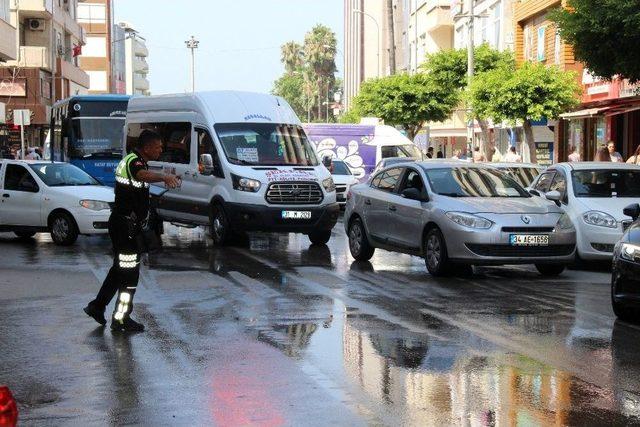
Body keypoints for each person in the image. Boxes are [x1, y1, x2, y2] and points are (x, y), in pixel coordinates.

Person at [84, 130, 180, 332]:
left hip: (126, 226)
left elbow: (139, 183)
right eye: (158, 147)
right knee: (129, 277)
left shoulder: (136, 160)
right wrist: (163, 177)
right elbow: (141, 175)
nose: (161, 150)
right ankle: (120, 319)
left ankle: (97, 306)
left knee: (119, 271)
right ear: (146, 148)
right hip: (124, 227)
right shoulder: (134, 162)